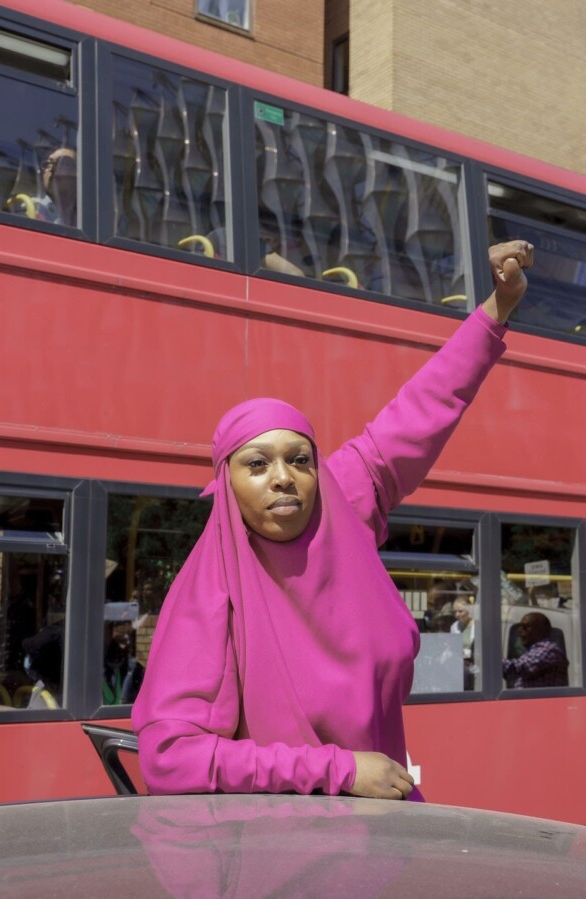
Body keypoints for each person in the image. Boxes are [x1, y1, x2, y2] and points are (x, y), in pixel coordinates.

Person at [132, 239, 534, 801]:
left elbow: (426, 405)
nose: (282, 477)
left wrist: (497, 307)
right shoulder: (208, 591)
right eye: (256, 463)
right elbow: (171, 759)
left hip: (386, 832)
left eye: (299, 459)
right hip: (283, 859)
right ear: (226, 484)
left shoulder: (340, 498)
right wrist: (337, 771)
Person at [502, 612, 569, 689]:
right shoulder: (531, 651)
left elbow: (519, 668)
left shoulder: (549, 649)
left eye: (525, 627)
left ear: (540, 630)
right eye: (520, 626)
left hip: (544, 700)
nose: (519, 630)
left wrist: (492, 661)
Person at [450, 596, 477, 690]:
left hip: (474, 668)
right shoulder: (454, 626)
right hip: (458, 667)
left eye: (460, 611)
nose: (457, 615)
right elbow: (453, 647)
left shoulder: (478, 626)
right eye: (455, 612)